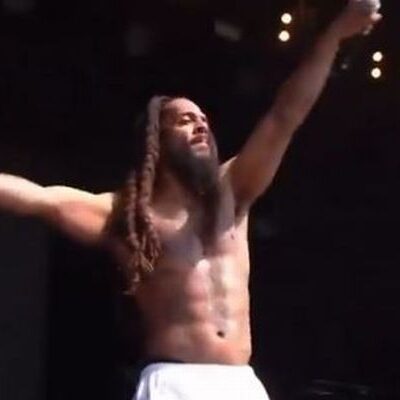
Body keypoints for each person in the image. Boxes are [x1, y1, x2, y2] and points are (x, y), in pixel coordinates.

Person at [0, 1, 381, 399]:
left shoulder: (233, 191)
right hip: (175, 381)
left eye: (203, 121)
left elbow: (285, 115)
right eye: (185, 121)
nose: (200, 127)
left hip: (239, 382)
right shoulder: (129, 214)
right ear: (158, 143)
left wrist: (335, 35)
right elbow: (39, 198)